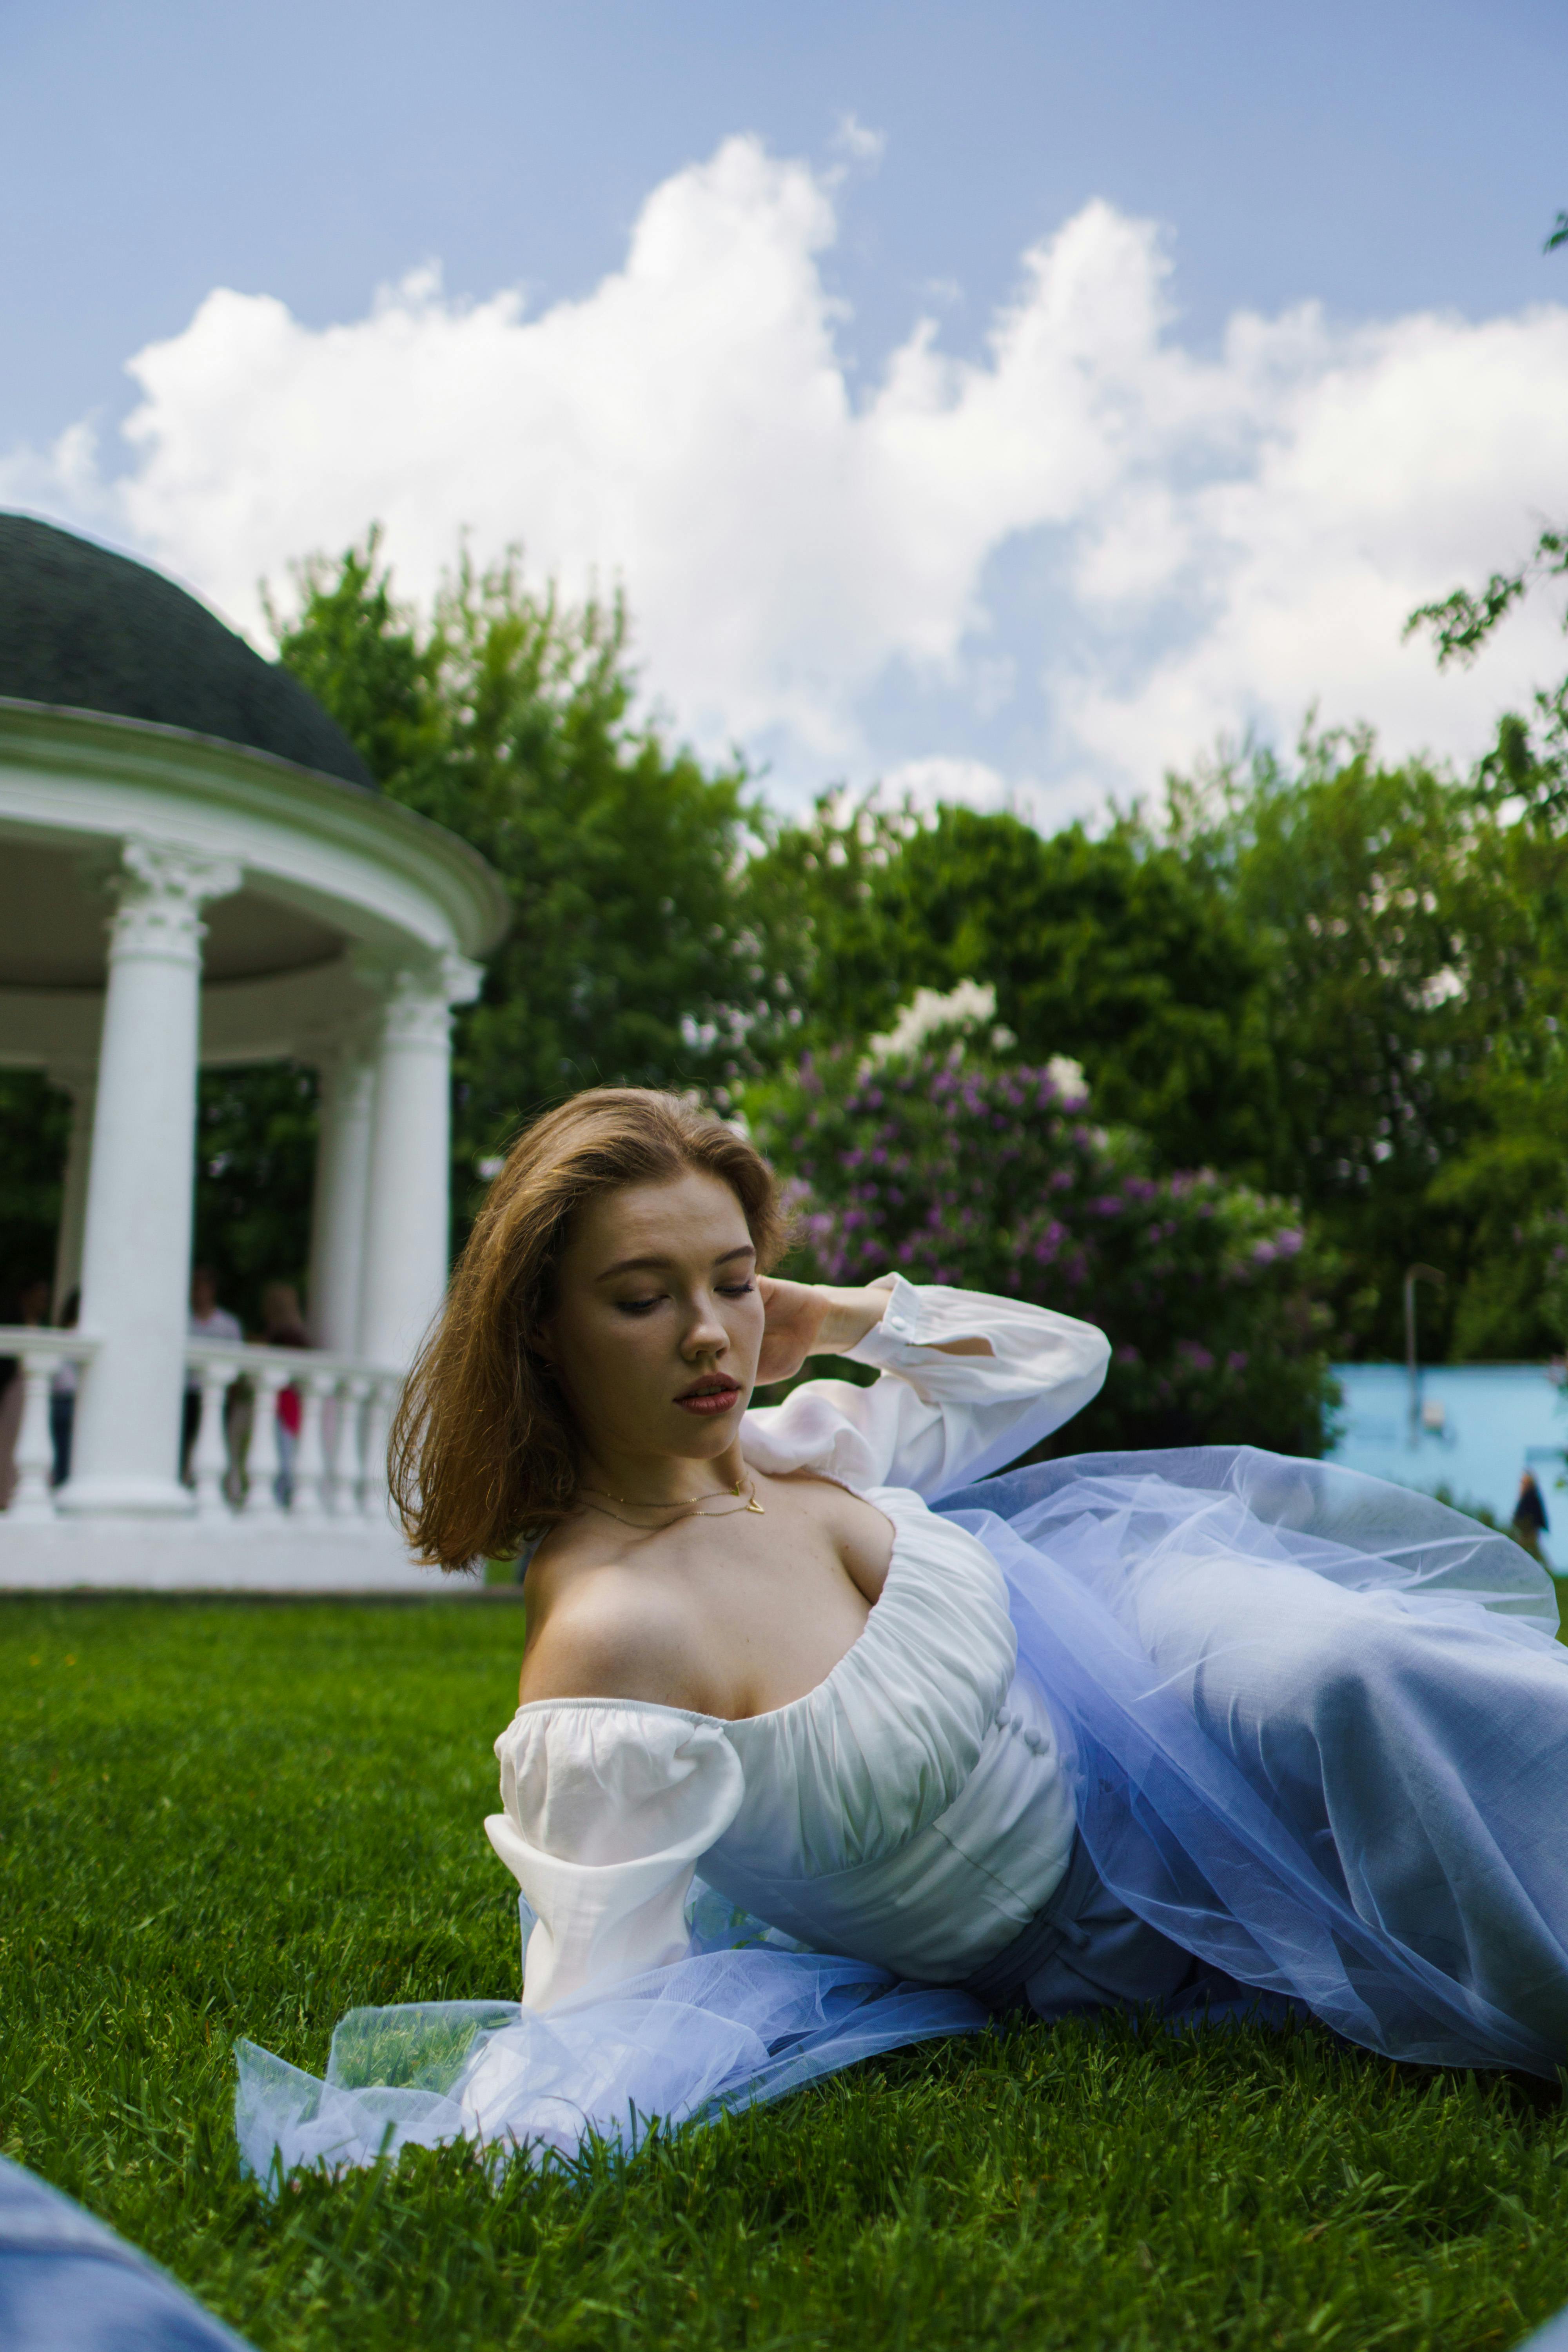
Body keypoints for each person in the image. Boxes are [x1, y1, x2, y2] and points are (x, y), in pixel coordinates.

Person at [235, 1090, 1568, 2182]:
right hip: (1100, 1924)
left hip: (1125, 1646)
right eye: (642, 1298)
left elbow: (1064, 1360)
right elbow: (593, 1995)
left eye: (732, 1280)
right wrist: (522, 2127)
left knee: (1342, 1666)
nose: (708, 1334)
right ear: (541, 1329)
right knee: (1357, 1708)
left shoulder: (796, 1439)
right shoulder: (613, 1637)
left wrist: (825, 1318)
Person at [183, 1266, 242, 1484]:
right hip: (188, 1392)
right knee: (183, 1442)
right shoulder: (183, 1321)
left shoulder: (227, 1325)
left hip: (217, 1394)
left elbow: (236, 1366)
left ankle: (212, 1485)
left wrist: (232, 1399)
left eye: (202, 1287)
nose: (198, 1292)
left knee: (213, 1442)